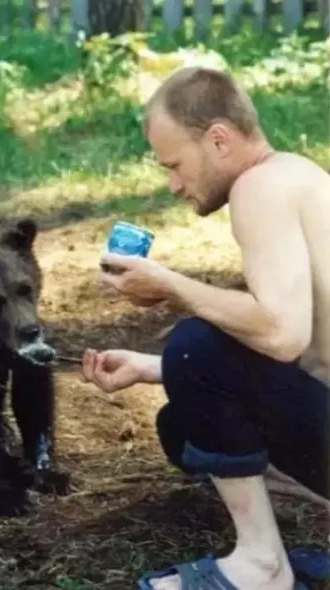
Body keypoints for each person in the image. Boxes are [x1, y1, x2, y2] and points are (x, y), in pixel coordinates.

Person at [80, 65, 330, 590]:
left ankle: (263, 568)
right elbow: (307, 350)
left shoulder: (259, 188)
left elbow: (283, 335)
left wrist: (172, 286)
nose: (173, 183)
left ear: (218, 139)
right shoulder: (296, 175)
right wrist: (155, 367)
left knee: (196, 346)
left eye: (175, 163)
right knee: (183, 424)